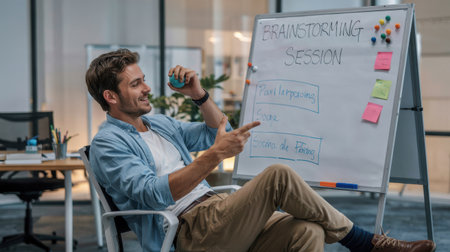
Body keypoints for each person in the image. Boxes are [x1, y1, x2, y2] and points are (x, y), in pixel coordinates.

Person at [86, 48, 436, 252]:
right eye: (136, 84)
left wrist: (198, 95)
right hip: (186, 230)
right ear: (111, 97)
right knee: (277, 176)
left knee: (307, 232)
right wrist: (216, 156)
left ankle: (364, 242)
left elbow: (212, 130)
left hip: (219, 211)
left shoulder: (159, 124)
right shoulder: (108, 144)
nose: (147, 87)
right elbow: (151, 194)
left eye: (143, 79)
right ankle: (367, 244)